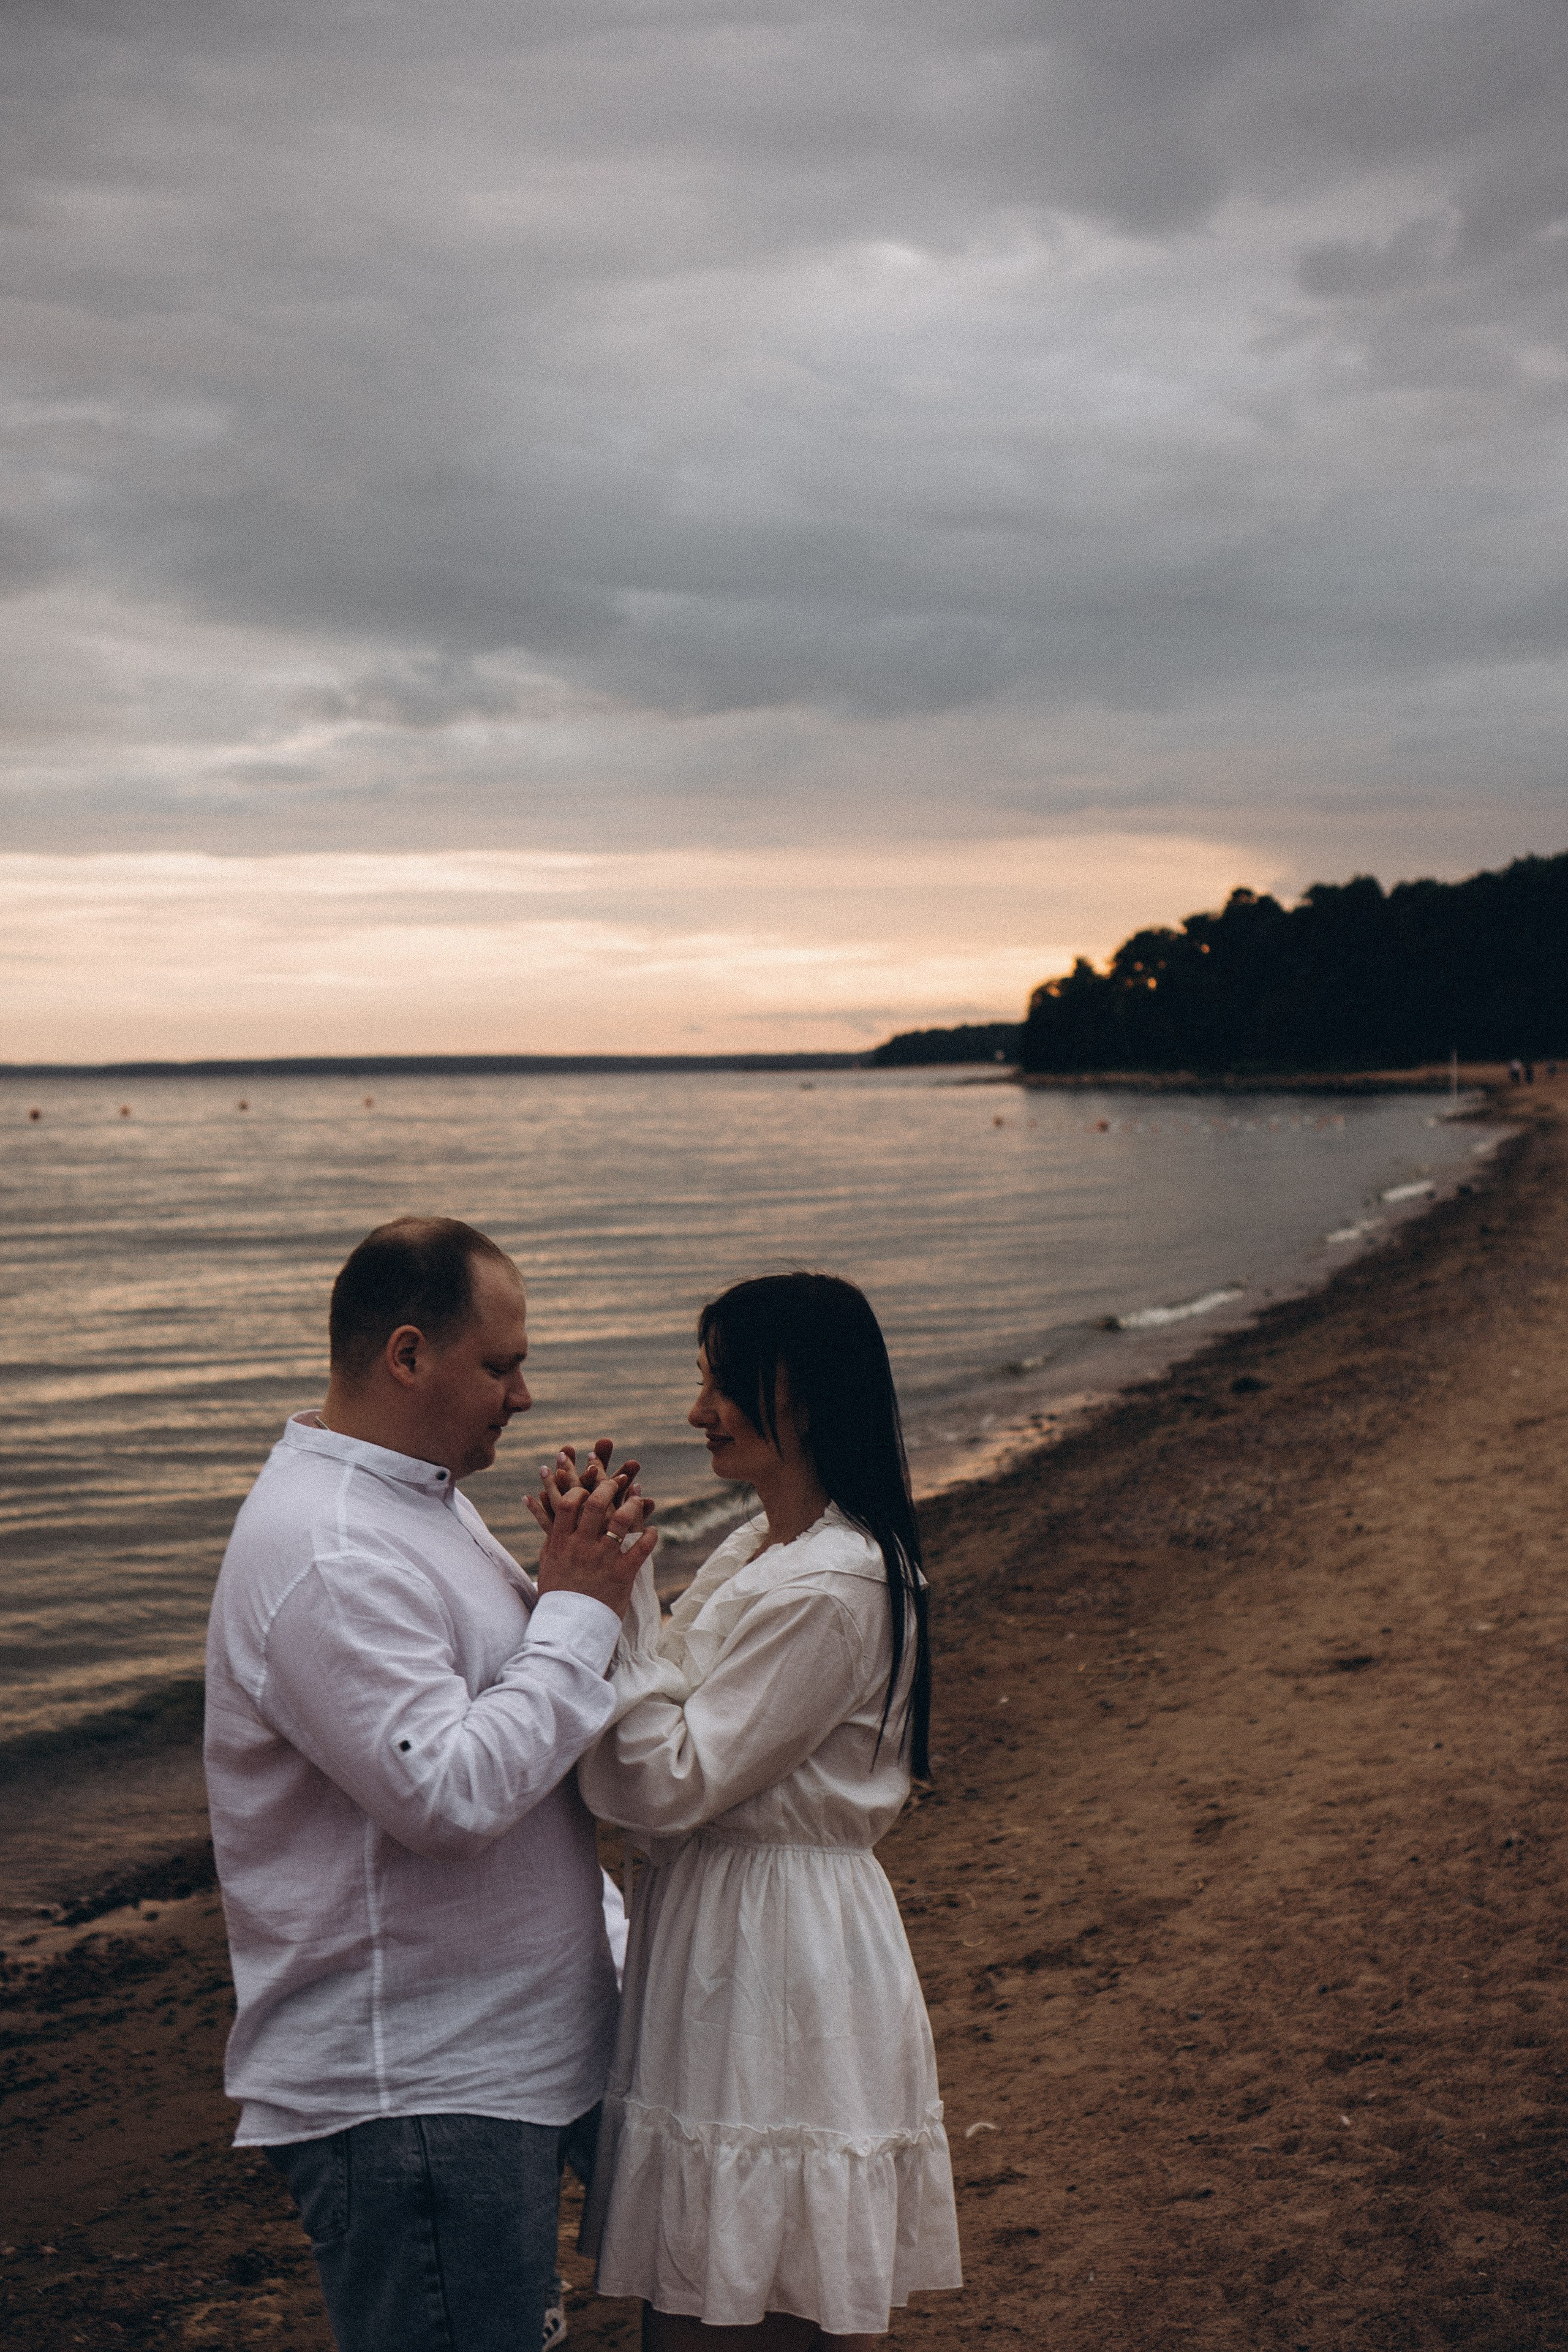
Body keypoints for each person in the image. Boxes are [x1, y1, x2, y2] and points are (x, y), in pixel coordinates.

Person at [204, 1216, 654, 2352]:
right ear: (408, 1356)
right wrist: (576, 1610)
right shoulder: (331, 1547)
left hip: (505, 2055)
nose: (524, 1396)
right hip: (417, 2091)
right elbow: (448, 1795)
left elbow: (515, 1746)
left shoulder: (418, 1498)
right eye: (501, 1366)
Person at [544, 1272, 962, 2349]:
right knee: (722, 2269)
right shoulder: (762, 1549)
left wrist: (607, 1605)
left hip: (774, 1940)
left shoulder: (833, 1586)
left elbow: (666, 1779)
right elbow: (683, 1722)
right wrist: (618, 1591)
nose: (698, 1412)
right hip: (737, 1921)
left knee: (753, 2281)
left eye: (723, 1385)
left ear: (804, 1398)